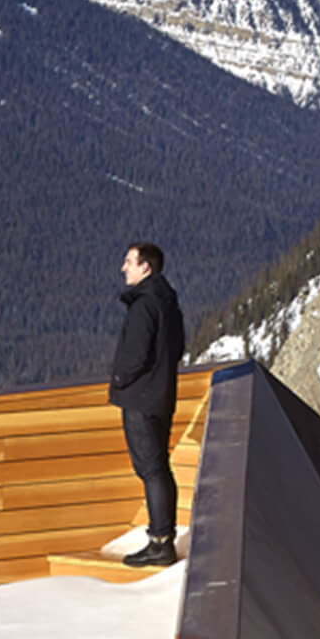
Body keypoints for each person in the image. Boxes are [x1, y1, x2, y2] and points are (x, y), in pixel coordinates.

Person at [110, 241, 186, 567]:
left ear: (146, 267)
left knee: (151, 469)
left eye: (129, 261)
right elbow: (178, 346)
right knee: (159, 468)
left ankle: (159, 543)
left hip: (141, 398)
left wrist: (119, 379)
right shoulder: (168, 302)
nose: (123, 267)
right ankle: (162, 536)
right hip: (161, 395)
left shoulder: (144, 305)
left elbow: (135, 354)